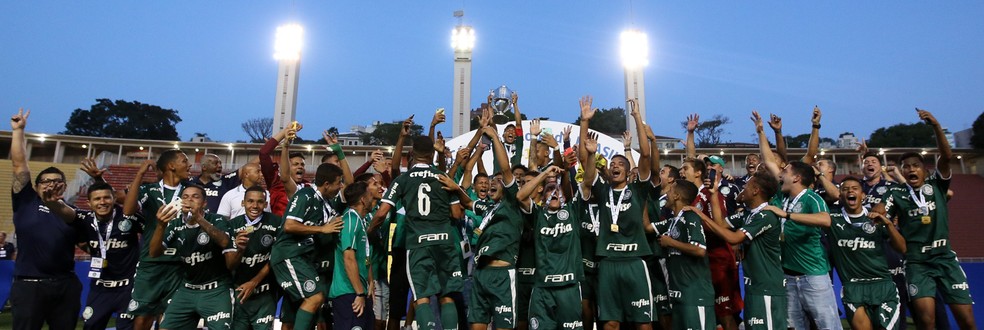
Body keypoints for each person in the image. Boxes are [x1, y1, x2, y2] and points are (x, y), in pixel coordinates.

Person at [872, 109, 976, 330]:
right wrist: (877, 212)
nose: (910, 169)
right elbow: (881, 208)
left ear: (924, 170)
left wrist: (936, 126)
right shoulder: (896, 193)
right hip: (917, 263)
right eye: (906, 166)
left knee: (966, 319)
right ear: (902, 170)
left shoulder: (937, 186)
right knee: (926, 320)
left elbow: (947, 157)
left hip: (945, 258)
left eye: (915, 165)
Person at [753, 110, 842, 330]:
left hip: (813, 276)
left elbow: (825, 220)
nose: (780, 173)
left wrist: (788, 215)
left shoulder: (811, 198)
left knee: (828, 325)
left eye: (786, 171)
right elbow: (769, 161)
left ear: (796, 177)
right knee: (793, 326)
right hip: (788, 276)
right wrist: (761, 132)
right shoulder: (781, 195)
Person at [780, 177, 905, 329]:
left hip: (882, 284)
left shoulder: (875, 218)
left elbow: (902, 248)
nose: (850, 191)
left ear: (863, 195)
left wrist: (889, 224)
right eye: (845, 189)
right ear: (840, 195)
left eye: (855, 188)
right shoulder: (832, 219)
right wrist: (786, 214)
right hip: (853, 286)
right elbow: (818, 217)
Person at [371, 135, 464, 330]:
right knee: (446, 296)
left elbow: (381, 213)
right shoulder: (443, 178)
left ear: (412, 154)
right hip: (445, 242)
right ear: (432, 153)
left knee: (422, 297)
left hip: (418, 244)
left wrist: (368, 230)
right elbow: (456, 213)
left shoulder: (403, 180)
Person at [580, 97, 657, 330]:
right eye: (612, 164)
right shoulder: (603, 191)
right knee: (610, 324)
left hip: (635, 262)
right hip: (608, 263)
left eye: (620, 164)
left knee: (643, 324)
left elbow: (645, 156)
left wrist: (636, 119)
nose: (615, 166)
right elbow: (586, 168)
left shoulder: (638, 189)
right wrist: (585, 125)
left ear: (628, 170)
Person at [8, 108, 83, 330]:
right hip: (29, 286)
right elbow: (19, 165)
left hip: (65, 285)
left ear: (64, 185)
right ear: (36, 186)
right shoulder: (25, 201)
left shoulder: (72, 212)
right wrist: (19, 131)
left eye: (57, 180)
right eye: (46, 181)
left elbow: (85, 242)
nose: (51, 184)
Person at [42, 181, 142, 330]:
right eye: (97, 199)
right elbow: (65, 210)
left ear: (114, 199)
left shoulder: (128, 218)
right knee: (90, 326)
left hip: (129, 288)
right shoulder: (86, 219)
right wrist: (52, 203)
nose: (102, 202)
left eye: (106, 198)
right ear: (89, 203)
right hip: (100, 288)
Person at [149, 184, 245, 330]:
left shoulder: (217, 219)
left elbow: (225, 242)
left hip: (216, 290)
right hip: (187, 289)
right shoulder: (175, 224)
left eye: (195, 197)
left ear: (204, 202)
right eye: (185, 197)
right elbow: (154, 252)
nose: (190, 200)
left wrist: (198, 219)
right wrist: (161, 226)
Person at [699, 172, 787, 329]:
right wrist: (714, 194)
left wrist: (702, 216)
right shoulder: (747, 214)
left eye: (746, 186)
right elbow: (720, 224)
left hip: (767, 286)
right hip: (754, 287)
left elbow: (733, 238)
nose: (743, 189)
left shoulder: (765, 216)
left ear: (755, 191)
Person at [270, 163, 346, 330]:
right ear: (326, 184)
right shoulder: (305, 195)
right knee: (315, 298)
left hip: (304, 259)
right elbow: (289, 225)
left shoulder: (326, 203)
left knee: (303, 306)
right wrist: (322, 228)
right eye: (338, 182)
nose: (340, 186)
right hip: (289, 254)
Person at [685, 114, 742, 330]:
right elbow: (691, 159)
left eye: (686, 170)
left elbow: (720, 225)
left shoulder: (711, 194)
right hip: (705, 259)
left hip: (719, 258)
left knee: (726, 313)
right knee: (713, 312)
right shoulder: (693, 194)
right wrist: (690, 133)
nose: (682, 171)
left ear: (698, 173)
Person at [123, 151, 189, 330]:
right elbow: (128, 211)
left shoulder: (190, 191)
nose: (189, 165)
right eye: (185, 161)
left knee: (170, 319)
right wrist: (139, 175)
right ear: (171, 166)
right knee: (143, 318)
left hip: (179, 264)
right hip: (151, 263)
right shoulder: (149, 190)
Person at [519, 166, 585, 330]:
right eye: (550, 190)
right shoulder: (538, 214)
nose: (555, 192)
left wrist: (565, 174)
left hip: (569, 287)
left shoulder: (573, 211)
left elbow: (585, 183)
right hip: (542, 288)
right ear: (542, 195)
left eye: (558, 190)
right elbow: (520, 196)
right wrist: (544, 175)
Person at [657, 181, 716, 330]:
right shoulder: (672, 222)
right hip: (680, 295)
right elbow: (646, 226)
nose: (666, 194)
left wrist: (671, 242)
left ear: (677, 196)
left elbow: (699, 250)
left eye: (670, 191)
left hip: (695, 295)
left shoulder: (691, 217)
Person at [228, 186, 283, 330]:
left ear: (265, 204)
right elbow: (227, 264)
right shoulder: (232, 225)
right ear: (243, 203)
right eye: (250, 201)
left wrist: (254, 282)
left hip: (265, 294)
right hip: (239, 293)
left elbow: (276, 257)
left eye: (260, 202)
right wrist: (237, 248)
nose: (254, 206)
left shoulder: (276, 223)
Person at [329, 181, 376, 329]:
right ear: (363, 199)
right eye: (370, 195)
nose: (372, 197)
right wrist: (359, 293)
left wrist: (370, 281)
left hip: (359, 291)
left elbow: (364, 256)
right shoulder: (351, 220)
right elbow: (348, 258)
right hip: (349, 293)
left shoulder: (360, 221)